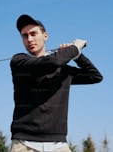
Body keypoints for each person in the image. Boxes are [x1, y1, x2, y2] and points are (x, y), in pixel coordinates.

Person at [10, 14, 103, 152]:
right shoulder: (19, 61)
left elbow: (94, 76)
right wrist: (74, 49)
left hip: (58, 145)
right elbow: (51, 62)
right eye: (25, 36)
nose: (29, 39)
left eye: (33, 33)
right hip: (24, 144)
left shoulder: (62, 70)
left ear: (45, 36)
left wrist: (78, 56)